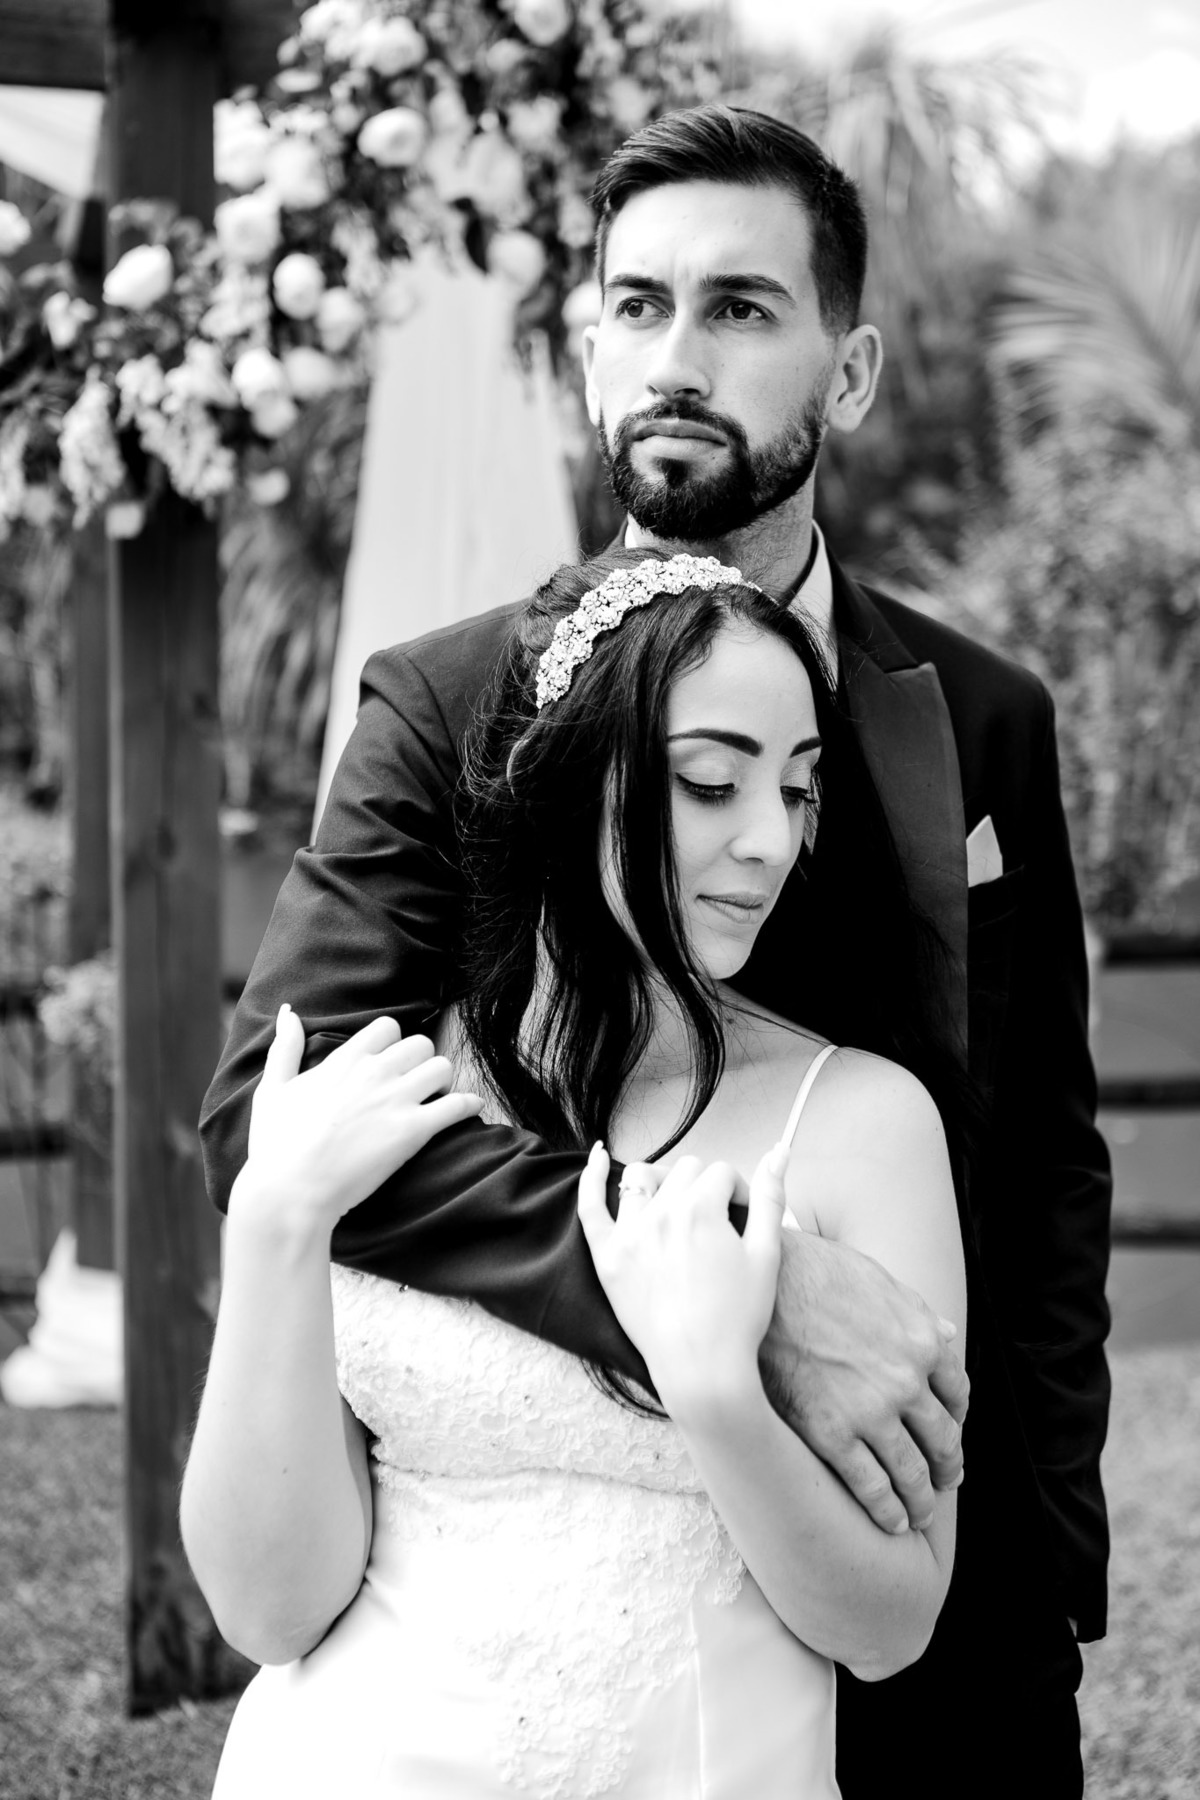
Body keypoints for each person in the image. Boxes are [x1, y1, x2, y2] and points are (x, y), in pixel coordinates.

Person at [200, 105, 1111, 1797]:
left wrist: (1045, 1545)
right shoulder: (447, 701)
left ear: (850, 374)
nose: (675, 358)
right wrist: (743, 1293)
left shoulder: (985, 717)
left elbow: (1045, 1156)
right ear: (587, 351)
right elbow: (276, 1105)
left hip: (917, 1554)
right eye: (637, 305)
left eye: (740, 308)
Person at [185, 553, 967, 1797]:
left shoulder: (864, 1123)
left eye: (798, 788)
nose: (772, 841)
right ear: (561, 779)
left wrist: (717, 1391)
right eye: (711, 783)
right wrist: (276, 1224)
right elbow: (270, 1611)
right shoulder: (391, 1095)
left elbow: (890, 1626)